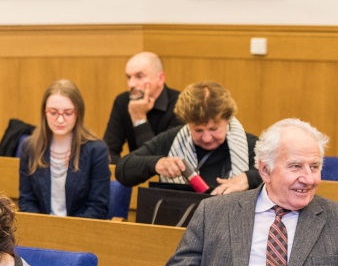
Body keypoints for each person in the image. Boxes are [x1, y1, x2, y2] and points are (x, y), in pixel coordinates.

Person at [160, 119, 338, 266]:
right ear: (265, 170)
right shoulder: (214, 211)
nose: (308, 179)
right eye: (295, 166)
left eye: (314, 167)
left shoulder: (334, 219)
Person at [115, 81, 261, 195]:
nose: (207, 138)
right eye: (198, 130)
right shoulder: (174, 138)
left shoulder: (249, 145)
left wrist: (248, 179)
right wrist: (156, 163)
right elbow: (123, 170)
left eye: (213, 129)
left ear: (227, 119)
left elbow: (272, 176)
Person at [19, 80, 110, 219]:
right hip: (41, 229)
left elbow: (98, 207)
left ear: (78, 113)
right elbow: (27, 201)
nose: (60, 120)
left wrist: (66, 230)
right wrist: (43, 228)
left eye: (68, 113)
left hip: (82, 228)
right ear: (44, 113)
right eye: (53, 113)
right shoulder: (29, 147)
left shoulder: (97, 150)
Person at [102, 52, 183, 164]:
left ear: (160, 78)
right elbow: (107, 152)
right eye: (129, 77)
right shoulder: (123, 102)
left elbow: (165, 162)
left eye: (139, 76)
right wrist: (126, 169)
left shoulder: (180, 105)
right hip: (133, 173)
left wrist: (139, 120)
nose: (131, 84)